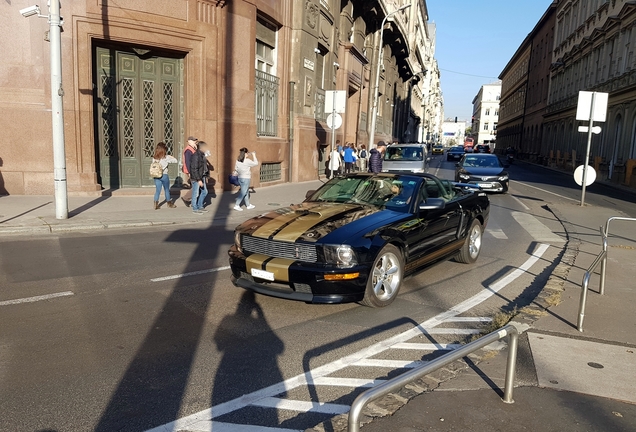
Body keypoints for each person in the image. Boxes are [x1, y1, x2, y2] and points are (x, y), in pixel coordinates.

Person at [152, 142, 178, 210]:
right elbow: (175, 161)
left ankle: (155, 204)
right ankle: (169, 204)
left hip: (156, 175)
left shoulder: (154, 158)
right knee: (166, 190)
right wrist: (171, 156)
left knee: (157, 190)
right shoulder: (166, 157)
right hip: (164, 175)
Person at [188, 141, 210, 214]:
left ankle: (200, 206)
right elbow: (194, 169)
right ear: (201, 148)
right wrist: (198, 180)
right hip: (196, 177)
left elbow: (204, 167)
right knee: (195, 193)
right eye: (205, 147)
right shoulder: (196, 156)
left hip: (202, 176)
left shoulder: (202, 155)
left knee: (205, 191)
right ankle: (195, 208)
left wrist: (206, 176)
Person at [181, 136, 198, 206]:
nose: (195, 142)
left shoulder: (192, 149)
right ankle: (186, 198)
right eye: (194, 141)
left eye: (195, 141)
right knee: (196, 187)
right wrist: (189, 172)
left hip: (194, 170)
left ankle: (188, 199)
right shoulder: (188, 150)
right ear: (189, 141)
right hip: (192, 171)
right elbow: (187, 162)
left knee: (195, 187)